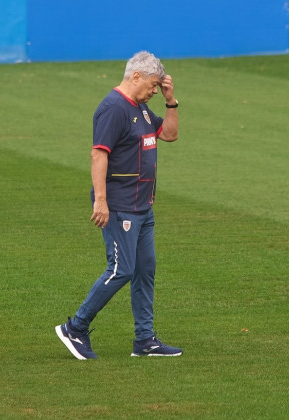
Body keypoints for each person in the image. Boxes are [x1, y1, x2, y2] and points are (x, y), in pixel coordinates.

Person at [55, 51, 181, 359]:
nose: (154, 90)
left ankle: (145, 340)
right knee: (121, 269)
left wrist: (170, 100)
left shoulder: (142, 108)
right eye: (153, 85)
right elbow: (99, 154)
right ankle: (75, 327)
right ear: (136, 76)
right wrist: (101, 200)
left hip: (142, 206)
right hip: (119, 204)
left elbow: (170, 134)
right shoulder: (113, 108)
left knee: (144, 270)